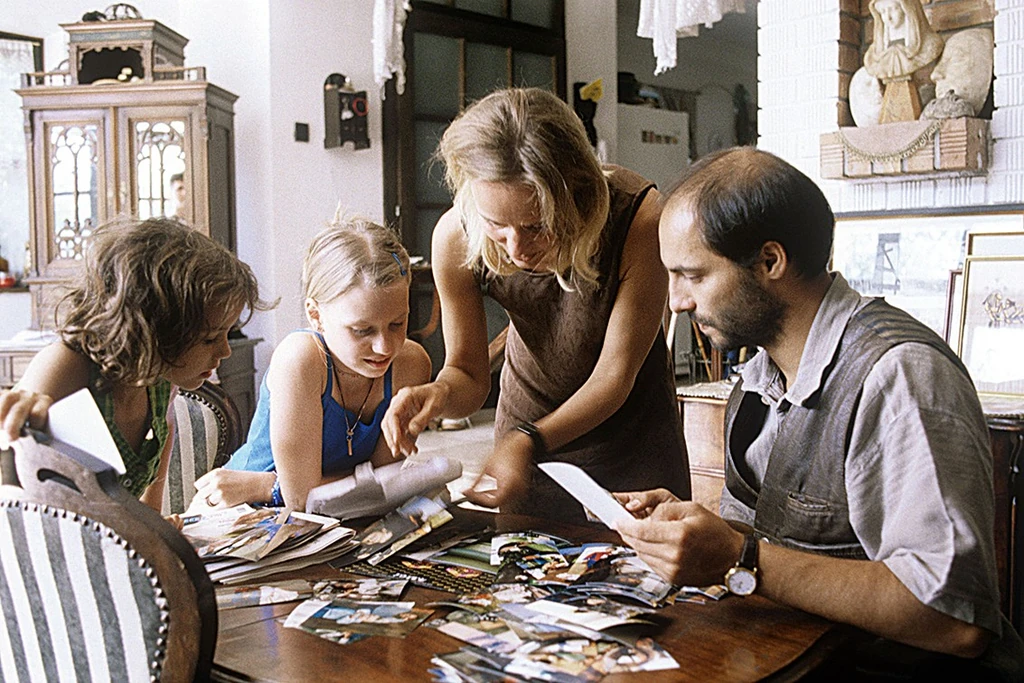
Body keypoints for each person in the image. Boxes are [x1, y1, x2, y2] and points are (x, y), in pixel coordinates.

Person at [613, 147, 1024, 680]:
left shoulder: (900, 376)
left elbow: (953, 620)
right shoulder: (760, 376)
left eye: (692, 276)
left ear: (769, 262)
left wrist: (740, 559)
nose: (676, 302)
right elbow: (762, 543)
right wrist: (696, 533)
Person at [382, 87, 689, 522]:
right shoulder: (457, 235)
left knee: (649, 579)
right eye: (497, 226)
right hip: (525, 439)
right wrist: (438, 394)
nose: (516, 248)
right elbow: (468, 374)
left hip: (632, 437)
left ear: (576, 195)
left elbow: (614, 378)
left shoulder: (637, 217)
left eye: (537, 225)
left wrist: (527, 439)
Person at [0, 218, 263, 512]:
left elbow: (165, 430)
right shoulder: (66, 365)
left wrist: (154, 526)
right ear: (155, 327)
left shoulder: (161, 378)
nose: (225, 351)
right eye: (210, 338)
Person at [193, 218, 431, 511]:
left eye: (397, 323)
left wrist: (267, 484)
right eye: (361, 330)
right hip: (245, 513)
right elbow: (302, 500)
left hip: (336, 520)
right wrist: (289, 488)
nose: (384, 347)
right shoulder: (301, 359)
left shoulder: (411, 363)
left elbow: (382, 485)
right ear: (315, 315)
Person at [863, 0, 943, 82]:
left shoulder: (930, 46)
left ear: (908, 8)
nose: (888, 17)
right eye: (883, 12)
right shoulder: (872, 56)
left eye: (893, 9)